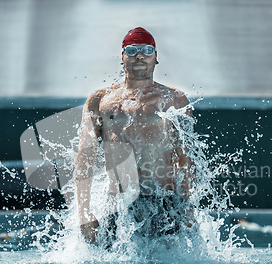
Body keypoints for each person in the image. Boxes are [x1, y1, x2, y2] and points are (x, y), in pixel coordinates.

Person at [75, 27, 195, 245]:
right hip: (117, 204)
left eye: (147, 50)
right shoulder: (101, 100)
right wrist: (84, 214)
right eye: (132, 50)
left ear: (156, 57)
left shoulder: (174, 100)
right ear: (122, 57)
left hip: (164, 200)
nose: (139, 55)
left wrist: (188, 209)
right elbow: (85, 158)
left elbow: (185, 159)